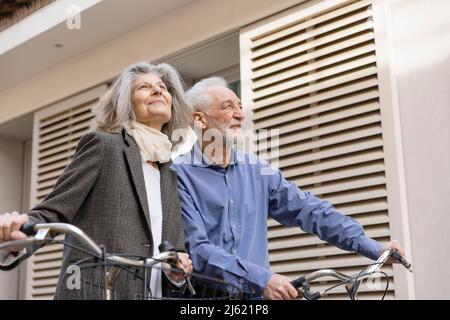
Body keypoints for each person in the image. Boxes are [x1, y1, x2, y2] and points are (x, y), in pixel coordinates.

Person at [171, 77, 405, 300]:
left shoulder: (257, 170)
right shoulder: (178, 174)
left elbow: (309, 209)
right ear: (200, 120)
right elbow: (199, 249)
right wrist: (261, 279)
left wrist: (373, 247)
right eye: (228, 106)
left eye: (240, 106)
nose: (240, 114)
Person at [0, 62, 193, 299]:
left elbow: (174, 250)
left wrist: (177, 273)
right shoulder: (104, 147)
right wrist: (16, 239)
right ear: (126, 104)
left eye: (162, 87)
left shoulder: (171, 173)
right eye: (144, 87)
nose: (158, 91)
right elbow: (53, 213)